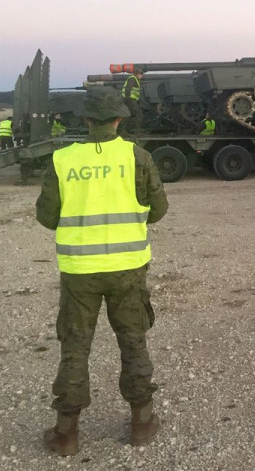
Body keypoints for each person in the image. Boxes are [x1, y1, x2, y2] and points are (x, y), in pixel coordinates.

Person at [35, 87, 168, 456]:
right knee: (133, 341)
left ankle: (66, 434)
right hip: (128, 268)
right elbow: (158, 209)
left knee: (75, 347)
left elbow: (47, 216)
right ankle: (141, 424)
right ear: (119, 119)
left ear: (86, 120)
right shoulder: (137, 157)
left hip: (79, 271)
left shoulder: (62, 160)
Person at [120, 67, 144, 136]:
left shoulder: (134, 79)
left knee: (128, 116)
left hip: (129, 100)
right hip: (130, 100)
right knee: (139, 115)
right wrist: (129, 99)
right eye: (141, 75)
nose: (141, 76)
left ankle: (124, 131)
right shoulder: (132, 79)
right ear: (138, 74)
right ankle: (137, 132)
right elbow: (128, 89)